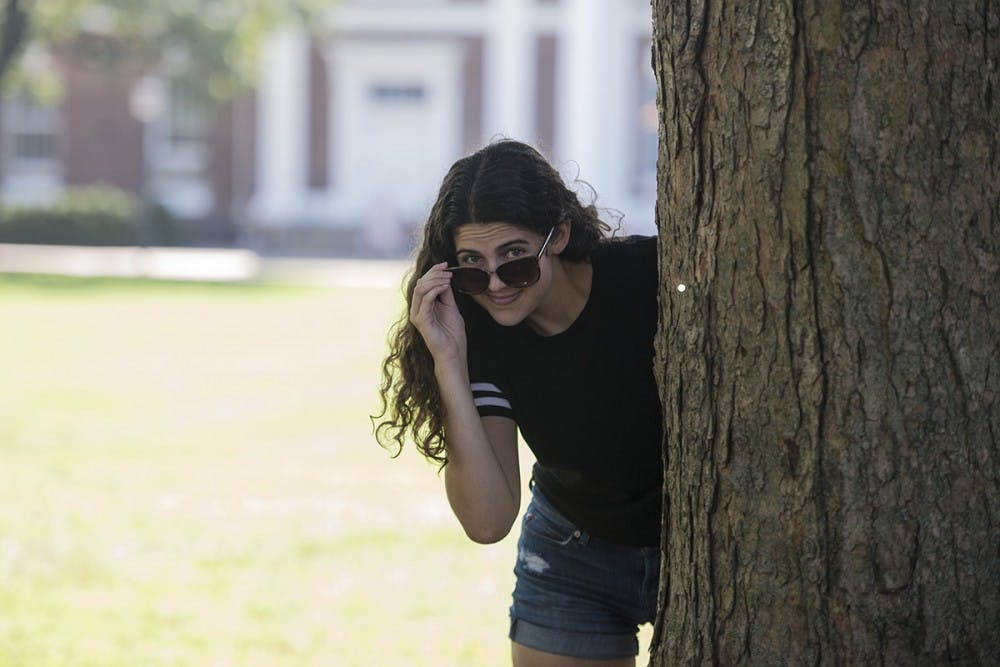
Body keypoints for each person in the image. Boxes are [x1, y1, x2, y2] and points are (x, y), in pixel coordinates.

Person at [374, 139, 663, 666]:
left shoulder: (649, 277)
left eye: (514, 259)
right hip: (573, 553)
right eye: (471, 266)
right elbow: (488, 521)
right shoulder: (476, 330)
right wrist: (449, 362)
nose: (495, 285)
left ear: (560, 236)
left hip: (698, 541)